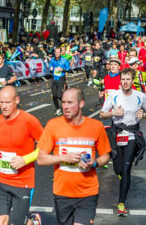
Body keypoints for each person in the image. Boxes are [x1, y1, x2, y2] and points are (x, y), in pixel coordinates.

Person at [37, 88, 111, 225]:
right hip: (62, 193)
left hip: (88, 193)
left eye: (70, 102)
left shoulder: (96, 126)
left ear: (81, 104)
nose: (65, 106)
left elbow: (106, 155)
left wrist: (94, 163)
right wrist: (64, 158)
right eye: (63, 102)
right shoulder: (53, 125)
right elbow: (41, 159)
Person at [0, 86, 43, 225]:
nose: (4, 106)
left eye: (8, 102)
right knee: (1, 221)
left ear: (17, 100)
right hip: (1, 180)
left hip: (22, 181)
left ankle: (32, 221)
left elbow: (45, 146)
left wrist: (25, 159)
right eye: (1, 102)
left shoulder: (29, 121)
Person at [100, 68, 146, 216]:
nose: (125, 82)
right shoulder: (113, 95)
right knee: (118, 169)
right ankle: (123, 177)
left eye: (128, 79)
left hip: (131, 135)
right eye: (123, 79)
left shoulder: (140, 96)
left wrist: (144, 115)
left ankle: (121, 203)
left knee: (127, 169)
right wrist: (113, 113)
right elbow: (102, 114)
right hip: (116, 135)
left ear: (132, 80)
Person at [49, 47, 70, 115]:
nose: (57, 54)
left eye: (58, 52)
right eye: (56, 52)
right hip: (54, 78)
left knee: (59, 95)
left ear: (60, 53)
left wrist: (62, 69)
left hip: (61, 78)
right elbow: (50, 67)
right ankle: (58, 109)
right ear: (54, 53)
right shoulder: (52, 60)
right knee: (54, 95)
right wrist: (51, 68)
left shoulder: (64, 60)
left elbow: (68, 69)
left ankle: (67, 104)